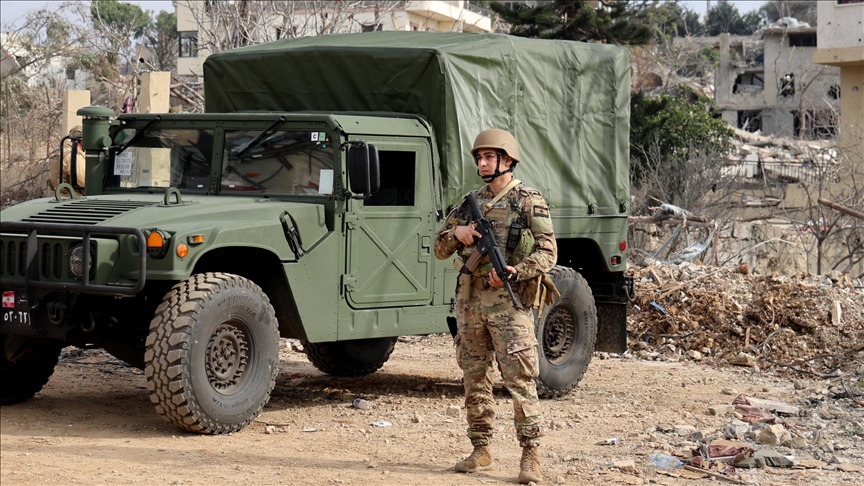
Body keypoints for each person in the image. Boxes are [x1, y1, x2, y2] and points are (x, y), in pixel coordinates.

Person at [434, 128, 558, 484]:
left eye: (489, 157)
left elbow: (549, 251)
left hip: (508, 305)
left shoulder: (527, 201)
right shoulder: (469, 203)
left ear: (507, 160)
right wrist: (457, 235)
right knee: (474, 377)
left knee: (520, 378)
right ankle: (481, 448)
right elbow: (439, 248)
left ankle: (530, 454)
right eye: (480, 157)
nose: (483, 163)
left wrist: (517, 271)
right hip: (470, 303)